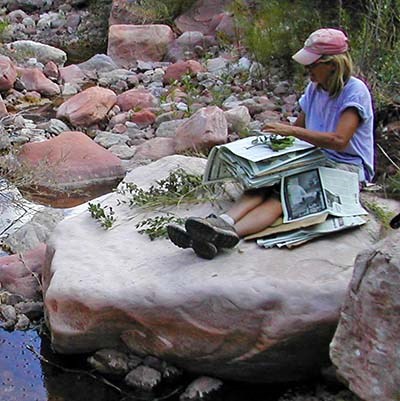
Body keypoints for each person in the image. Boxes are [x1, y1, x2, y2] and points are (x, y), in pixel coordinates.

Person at [167, 28, 375, 259]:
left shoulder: (355, 92)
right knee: (263, 183)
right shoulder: (314, 89)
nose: (307, 70)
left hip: (346, 166)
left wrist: (290, 130)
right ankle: (217, 224)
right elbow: (298, 133)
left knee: (284, 194)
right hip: (315, 156)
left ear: (333, 64)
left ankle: (228, 234)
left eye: (312, 65)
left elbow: (339, 140)